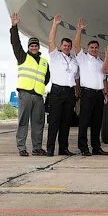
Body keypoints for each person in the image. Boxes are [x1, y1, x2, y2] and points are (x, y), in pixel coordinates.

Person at [10, 12, 49, 157]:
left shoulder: (44, 62)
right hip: (25, 94)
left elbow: (47, 78)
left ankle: (37, 148)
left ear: (39, 47)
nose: (34, 47)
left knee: (38, 123)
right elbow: (15, 43)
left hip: (38, 96)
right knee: (23, 122)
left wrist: (39, 86)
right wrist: (14, 27)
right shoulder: (23, 57)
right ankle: (22, 148)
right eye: (32, 45)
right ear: (29, 47)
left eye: (36, 45)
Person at [74, 18, 108, 156]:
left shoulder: (100, 61)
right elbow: (76, 45)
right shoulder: (82, 58)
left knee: (97, 122)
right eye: (91, 48)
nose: (94, 50)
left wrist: (105, 93)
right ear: (88, 49)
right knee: (84, 121)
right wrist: (79, 30)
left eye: (96, 48)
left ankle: (96, 147)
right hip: (87, 93)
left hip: (99, 94)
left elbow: (104, 78)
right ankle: (83, 147)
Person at [45, 14, 78, 157]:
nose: (67, 47)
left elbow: (76, 79)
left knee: (66, 122)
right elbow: (50, 40)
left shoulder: (74, 61)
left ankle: (63, 148)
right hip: (57, 91)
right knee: (54, 122)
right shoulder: (55, 56)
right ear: (61, 46)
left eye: (69, 46)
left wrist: (77, 94)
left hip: (69, 92)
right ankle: (50, 149)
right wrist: (55, 25)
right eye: (64, 45)